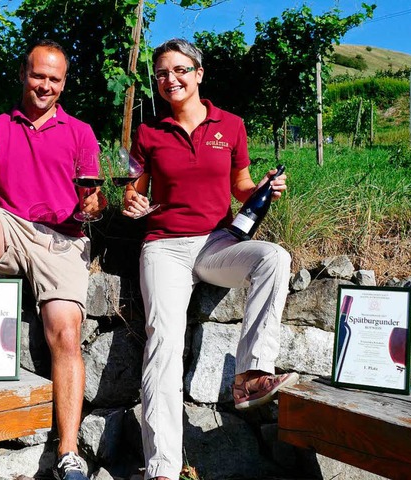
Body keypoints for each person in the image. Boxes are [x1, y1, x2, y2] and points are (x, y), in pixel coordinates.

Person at [124, 38, 299, 480]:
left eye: (180, 70)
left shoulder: (232, 126)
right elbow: (133, 189)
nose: (171, 79)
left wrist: (262, 188)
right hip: (163, 246)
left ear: (199, 73)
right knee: (163, 344)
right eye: (162, 73)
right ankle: (161, 470)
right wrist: (131, 203)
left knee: (274, 257)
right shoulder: (147, 133)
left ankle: (250, 375)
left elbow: (240, 187)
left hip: (216, 243)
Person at [0, 39, 106, 480]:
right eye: (38, 76)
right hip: (12, 226)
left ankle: (69, 453)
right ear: (23, 74)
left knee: (65, 332)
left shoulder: (80, 132)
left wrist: (95, 206)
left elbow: (94, 201)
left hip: (63, 239)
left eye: (54, 79)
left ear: (64, 83)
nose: (45, 86)